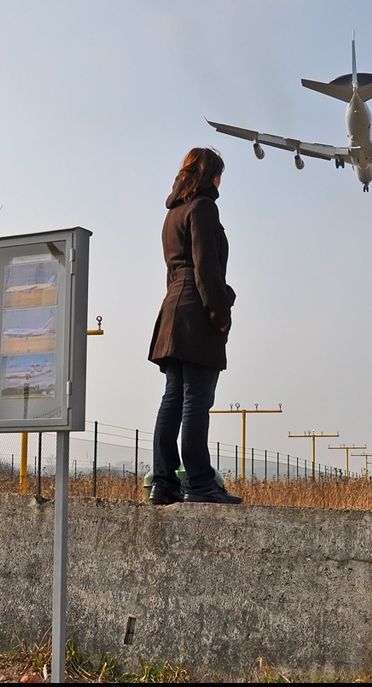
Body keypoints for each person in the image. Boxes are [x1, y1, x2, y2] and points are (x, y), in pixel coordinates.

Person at [147, 147, 241, 505]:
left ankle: (163, 481)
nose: (221, 181)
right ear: (210, 175)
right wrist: (220, 315)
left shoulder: (173, 214)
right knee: (195, 400)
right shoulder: (203, 207)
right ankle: (200, 482)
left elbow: (177, 269)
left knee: (173, 398)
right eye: (219, 174)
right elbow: (206, 268)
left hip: (172, 308)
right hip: (196, 310)